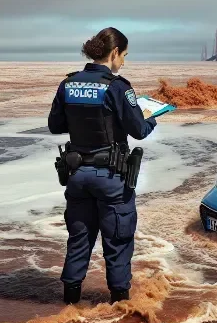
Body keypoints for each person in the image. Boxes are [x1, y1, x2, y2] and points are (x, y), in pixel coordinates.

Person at [48, 27, 157, 304]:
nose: (124, 62)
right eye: (125, 55)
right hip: (110, 177)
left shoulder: (68, 84)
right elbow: (139, 130)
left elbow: (55, 125)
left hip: (77, 175)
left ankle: (69, 307)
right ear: (114, 52)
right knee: (117, 242)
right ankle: (121, 309)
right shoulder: (118, 86)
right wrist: (152, 116)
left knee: (79, 239)